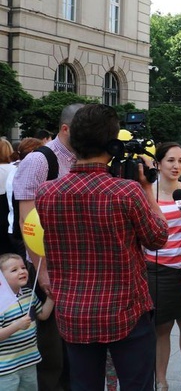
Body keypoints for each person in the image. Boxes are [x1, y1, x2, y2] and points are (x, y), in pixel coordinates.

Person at [35, 103, 168, 389]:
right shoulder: (126, 192)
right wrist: (147, 189)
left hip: (73, 313)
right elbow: (158, 237)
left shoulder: (47, 194)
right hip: (126, 312)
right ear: (112, 144)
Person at [13, 102, 82, 391]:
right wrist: (43, 275)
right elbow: (28, 222)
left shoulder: (84, 158)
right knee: (51, 353)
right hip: (47, 265)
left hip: (76, 265)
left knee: (74, 353)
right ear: (65, 129)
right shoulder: (40, 161)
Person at [146, 142, 181, 391]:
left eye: (180, 160)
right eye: (170, 160)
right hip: (158, 271)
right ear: (158, 164)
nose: (176, 166)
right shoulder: (147, 193)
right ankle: (160, 379)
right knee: (162, 329)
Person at [0, 253, 55, 390]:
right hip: (6, 368)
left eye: (23, 267)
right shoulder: (1, 303)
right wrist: (17, 325)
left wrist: (52, 298)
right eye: (14, 270)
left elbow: (42, 315)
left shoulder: (29, 294)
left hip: (29, 361)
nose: (22, 271)